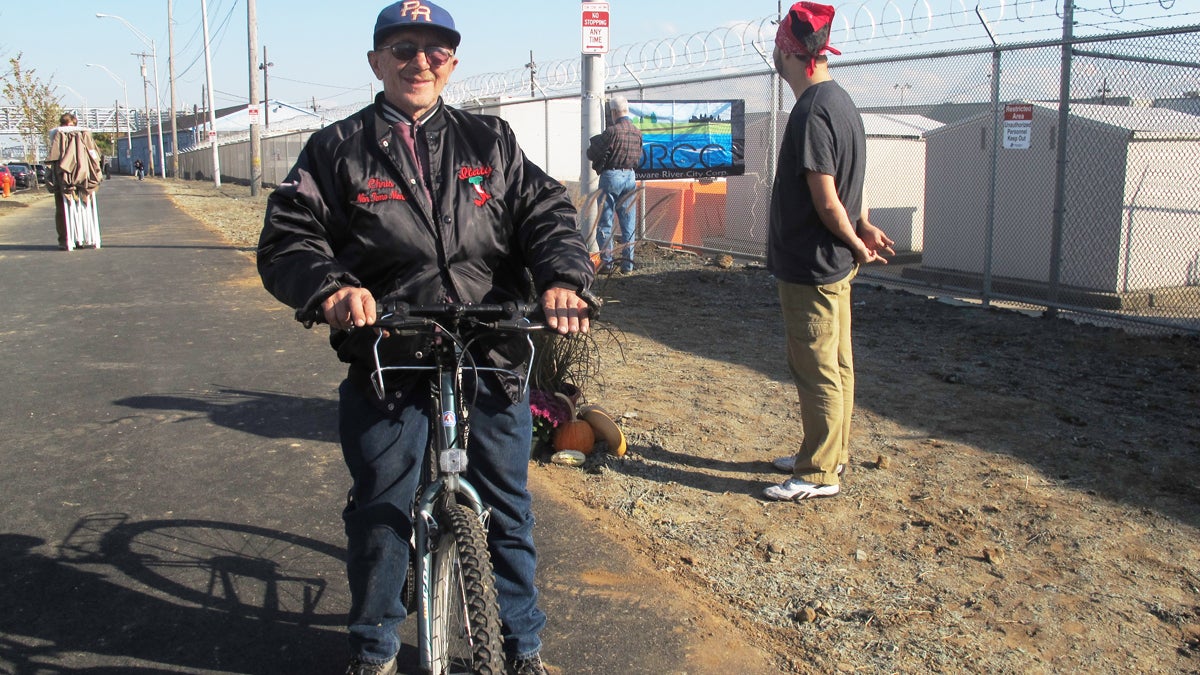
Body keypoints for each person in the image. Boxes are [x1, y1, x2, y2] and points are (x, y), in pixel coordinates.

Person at [256, 2, 595, 674]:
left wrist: (561, 278)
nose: (420, 62)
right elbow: (289, 237)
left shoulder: (489, 142)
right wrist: (330, 289)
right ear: (376, 62)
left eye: (435, 51)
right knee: (382, 506)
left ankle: (521, 643)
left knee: (507, 503)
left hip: (488, 346)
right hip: (390, 351)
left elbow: (546, 213)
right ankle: (376, 644)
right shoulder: (336, 149)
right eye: (403, 49)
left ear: (453, 63)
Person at [762, 2, 895, 502]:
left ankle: (818, 472)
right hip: (831, 266)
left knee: (817, 367)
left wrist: (857, 242)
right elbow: (845, 191)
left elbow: (825, 197)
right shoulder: (841, 102)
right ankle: (825, 453)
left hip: (812, 268)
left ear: (794, 53)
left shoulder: (813, 110)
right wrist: (862, 229)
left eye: (779, 46)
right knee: (837, 366)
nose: (776, 54)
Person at [586, 94, 643, 274]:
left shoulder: (611, 131)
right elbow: (639, 157)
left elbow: (591, 153)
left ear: (612, 112)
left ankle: (608, 264)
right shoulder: (637, 131)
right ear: (626, 109)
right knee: (628, 223)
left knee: (605, 222)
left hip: (611, 176)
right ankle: (628, 265)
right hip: (630, 177)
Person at [47, 112, 103, 250]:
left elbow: (94, 155)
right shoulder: (57, 137)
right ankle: (64, 239)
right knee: (62, 209)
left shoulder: (83, 137)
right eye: (66, 126)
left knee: (83, 205)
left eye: (71, 126)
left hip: (82, 178)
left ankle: (80, 238)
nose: (68, 129)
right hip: (63, 180)